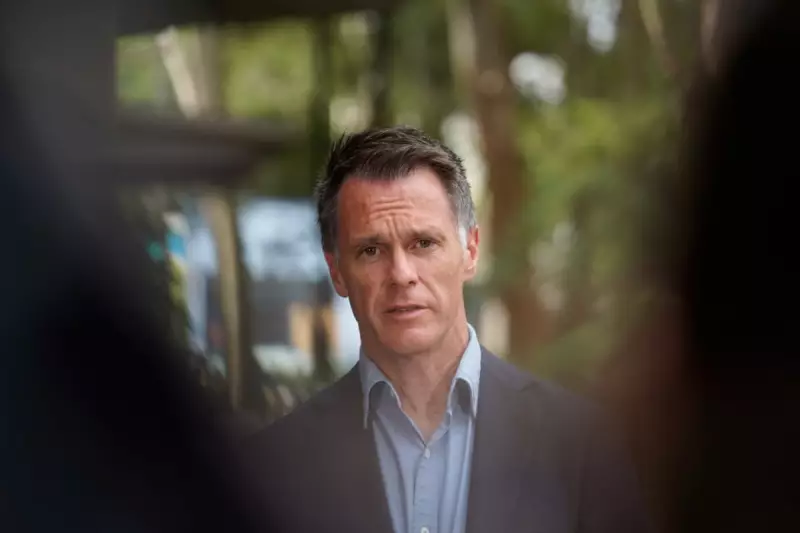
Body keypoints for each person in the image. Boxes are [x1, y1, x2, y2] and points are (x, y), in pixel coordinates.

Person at [248, 126, 651, 533]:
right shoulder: (274, 465)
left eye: (423, 243)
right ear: (337, 272)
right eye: (371, 250)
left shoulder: (580, 444)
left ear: (471, 251)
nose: (401, 274)